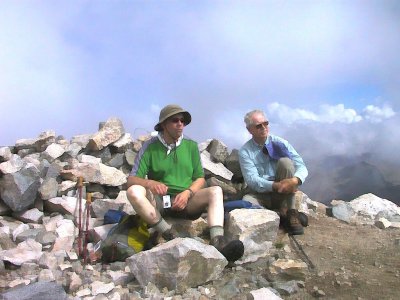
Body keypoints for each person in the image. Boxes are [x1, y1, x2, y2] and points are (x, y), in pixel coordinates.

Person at [126, 104, 244, 262]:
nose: (180, 124)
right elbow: (132, 179)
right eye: (175, 120)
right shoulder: (150, 147)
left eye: (183, 121)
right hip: (160, 201)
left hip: (187, 201)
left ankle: (218, 241)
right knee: (134, 191)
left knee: (215, 191)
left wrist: (187, 193)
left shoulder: (191, 146)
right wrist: (150, 183)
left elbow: (200, 178)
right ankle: (167, 233)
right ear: (163, 125)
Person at [238, 109, 308, 235]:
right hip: (260, 194)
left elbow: (301, 165)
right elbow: (252, 180)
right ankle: (281, 214)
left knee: (286, 162)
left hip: (283, 193)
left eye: (266, 123)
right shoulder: (245, 151)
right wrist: (275, 185)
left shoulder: (281, 143)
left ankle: (291, 212)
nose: (264, 127)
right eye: (258, 126)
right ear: (250, 130)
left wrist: (294, 180)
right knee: (247, 203)